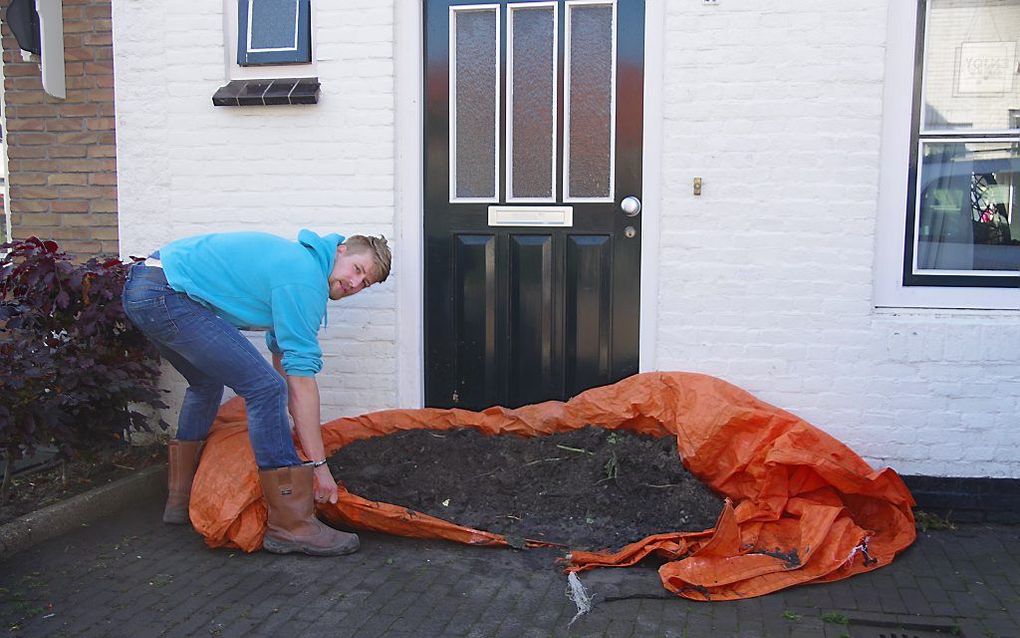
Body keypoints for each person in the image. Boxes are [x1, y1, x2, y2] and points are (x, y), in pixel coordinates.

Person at [122, 229, 391, 556]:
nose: (354, 283)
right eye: (357, 269)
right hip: (167, 294)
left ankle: (180, 500)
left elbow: (286, 361)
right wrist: (319, 466)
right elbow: (298, 381)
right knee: (265, 389)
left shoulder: (298, 267)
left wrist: (289, 426)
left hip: (145, 288)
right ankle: (291, 525)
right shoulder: (304, 278)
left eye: (365, 283)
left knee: (208, 383)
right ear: (341, 250)